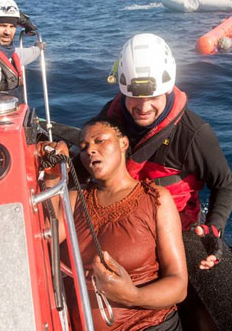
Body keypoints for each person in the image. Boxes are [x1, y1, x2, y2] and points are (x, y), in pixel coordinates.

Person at [82, 33, 232, 271]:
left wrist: (214, 227)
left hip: (171, 232)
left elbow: (224, 184)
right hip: (117, 221)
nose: (143, 107)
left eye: (153, 96)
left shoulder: (194, 133)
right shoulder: (111, 117)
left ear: (166, 88)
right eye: (134, 97)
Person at [47, 117, 188, 331]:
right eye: (83, 147)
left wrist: (132, 295)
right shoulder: (75, 199)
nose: (90, 151)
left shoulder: (155, 199)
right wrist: (52, 179)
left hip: (149, 326)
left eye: (99, 141)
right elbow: (45, 240)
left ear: (123, 143)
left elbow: (178, 285)